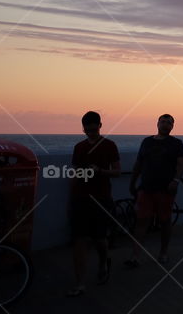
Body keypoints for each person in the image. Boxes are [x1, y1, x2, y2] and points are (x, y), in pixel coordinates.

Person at [66, 111, 120, 297]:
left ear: (100, 126)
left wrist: (100, 171)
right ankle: (80, 283)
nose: (90, 132)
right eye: (87, 130)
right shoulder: (79, 147)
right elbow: (75, 173)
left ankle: (104, 261)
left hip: (101, 198)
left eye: (93, 129)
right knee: (79, 240)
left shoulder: (110, 146)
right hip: (80, 199)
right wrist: (71, 197)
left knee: (99, 240)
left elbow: (117, 172)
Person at [125, 114, 183, 267]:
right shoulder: (146, 142)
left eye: (169, 123)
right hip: (146, 189)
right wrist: (132, 183)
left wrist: (176, 180)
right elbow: (139, 163)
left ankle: (163, 252)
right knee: (141, 221)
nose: (165, 124)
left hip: (165, 190)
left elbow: (181, 164)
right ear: (157, 123)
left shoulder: (176, 143)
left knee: (165, 221)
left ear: (172, 126)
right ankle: (135, 255)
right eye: (163, 121)